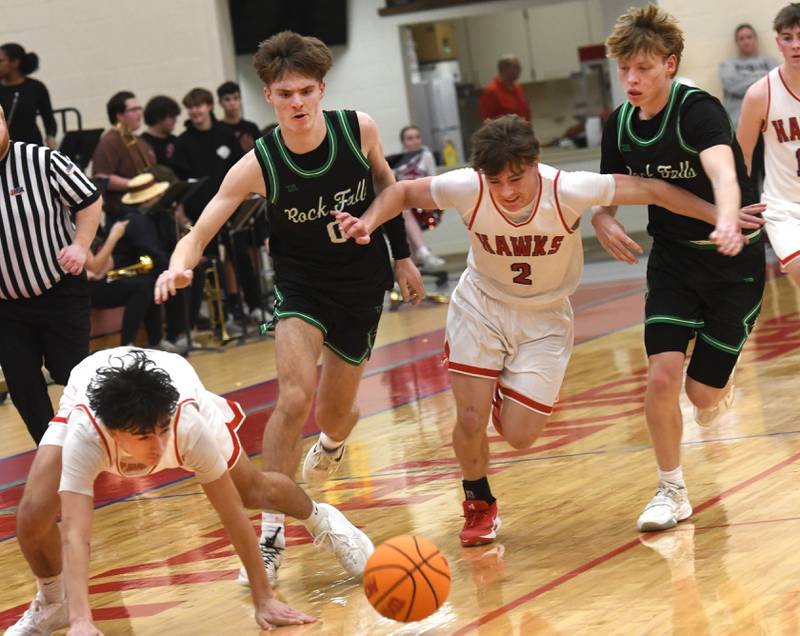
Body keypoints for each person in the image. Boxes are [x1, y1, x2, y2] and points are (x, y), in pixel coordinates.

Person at [332, 114, 746, 547]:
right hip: (481, 306)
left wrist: (721, 215)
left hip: (545, 318)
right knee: (469, 417)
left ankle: (493, 390)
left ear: (535, 163)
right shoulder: (467, 188)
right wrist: (369, 222)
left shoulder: (566, 189)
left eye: (516, 178)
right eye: (496, 181)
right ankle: (478, 503)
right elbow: (400, 191)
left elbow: (653, 189)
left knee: (521, 435)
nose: (507, 192)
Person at [155, 31, 423, 583]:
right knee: (292, 396)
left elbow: (388, 188)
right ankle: (272, 528)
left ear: (322, 88)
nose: (296, 103)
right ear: (268, 98)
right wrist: (178, 264)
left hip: (360, 284)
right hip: (301, 287)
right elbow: (201, 228)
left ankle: (332, 444)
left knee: (336, 413)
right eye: (284, 94)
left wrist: (401, 258)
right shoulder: (259, 163)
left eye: (305, 91)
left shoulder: (359, 130)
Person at [4, 347, 373, 635]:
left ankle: (320, 519)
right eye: (144, 438)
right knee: (33, 512)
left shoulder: (184, 425)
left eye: (161, 432)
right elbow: (75, 533)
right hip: (91, 385)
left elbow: (232, 517)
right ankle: (53, 603)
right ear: (115, 435)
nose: (158, 446)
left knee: (250, 491)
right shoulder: (87, 435)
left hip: (174, 381)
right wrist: (81, 619)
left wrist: (264, 598)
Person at [593, 5, 766, 532]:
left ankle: (719, 382)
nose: (632, 79)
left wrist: (729, 219)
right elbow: (608, 190)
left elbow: (723, 169)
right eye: (624, 69)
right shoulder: (619, 124)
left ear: (669, 64)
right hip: (671, 262)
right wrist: (601, 219)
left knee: (701, 394)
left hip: (731, 260)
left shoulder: (699, 110)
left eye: (643, 68)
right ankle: (671, 491)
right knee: (662, 375)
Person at [0, 104, 101, 444]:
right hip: (6, 307)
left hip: (59, 290)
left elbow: (89, 199)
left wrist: (80, 245)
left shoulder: (43, 160)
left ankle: (93, 440)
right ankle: (52, 451)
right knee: (22, 383)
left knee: (70, 372)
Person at [738, 4, 800, 286]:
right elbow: (743, 156)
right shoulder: (760, 94)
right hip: (784, 207)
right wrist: (735, 206)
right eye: (788, 37)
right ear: (778, 42)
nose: (796, 45)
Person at [719, 24, 778, 190]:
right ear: (737, 42)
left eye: (749, 37)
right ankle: (755, 213)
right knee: (748, 175)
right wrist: (763, 78)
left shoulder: (770, 61)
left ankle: (772, 213)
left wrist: (746, 79)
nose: (746, 41)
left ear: (756, 39)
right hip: (742, 128)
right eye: (741, 38)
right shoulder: (728, 64)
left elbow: (777, 84)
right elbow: (733, 86)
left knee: (770, 175)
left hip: (769, 128)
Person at [91, 91, 156, 216]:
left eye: (139, 108)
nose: (139, 113)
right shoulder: (109, 142)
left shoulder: (138, 139)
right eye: (133, 110)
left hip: (145, 206)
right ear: (119, 115)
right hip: (125, 210)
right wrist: (137, 185)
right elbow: (102, 178)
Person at [394, 125, 446, 272]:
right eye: (410, 138)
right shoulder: (397, 160)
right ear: (403, 142)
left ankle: (422, 254)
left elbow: (434, 181)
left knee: (403, 214)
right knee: (403, 223)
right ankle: (414, 267)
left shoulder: (426, 155)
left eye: (417, 137)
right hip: (404, 205)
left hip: (423, 204)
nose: (415, 141)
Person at [0, 43, 57, 148]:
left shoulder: (35, 87)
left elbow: (49, 119)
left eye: (1, 61)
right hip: (5, 149)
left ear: (15, 62)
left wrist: (50, 137)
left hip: (31, 146)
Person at [478, 54, 530, 122]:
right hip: (506, 132)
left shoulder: (518, 88)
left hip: (523, 131)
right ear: (505, 68)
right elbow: (487, 122)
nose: (520, 70)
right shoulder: (491, 91)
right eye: (516, 67)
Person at [217, 81, 262, 152]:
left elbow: (261, 154)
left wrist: (251, 149)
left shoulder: (251, 127)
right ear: (220, 102)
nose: (232, 103)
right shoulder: (217, 129)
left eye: (235, 98)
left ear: (240, 100)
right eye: (227, 99)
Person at [140, 95, 181, 168]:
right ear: (158, 117)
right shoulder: (142, 144)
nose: (175, 120)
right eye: (171, 116)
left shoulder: (176, 141)